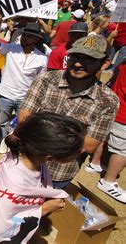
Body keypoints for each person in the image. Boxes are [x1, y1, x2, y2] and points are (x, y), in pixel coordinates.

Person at [0, 112, 85, 243]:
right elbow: (7, 220)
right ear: (49, 157)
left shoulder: (20, 150)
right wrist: (46, 208)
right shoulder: (17, 183)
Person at [19, 35, 119, 189]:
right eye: (75, 56)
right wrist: (67, 141)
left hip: (59, 174)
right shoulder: (45, 80)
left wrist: (40, 137)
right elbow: (24, 119)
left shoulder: (108, 101)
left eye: (89, 59)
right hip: (25, 163)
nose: (78, 63)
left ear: (104, 63)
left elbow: (89, 145)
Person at [0, 22, 48, 146]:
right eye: (24, 35)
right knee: (2, 122)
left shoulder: (42, 58)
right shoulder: (11, 48)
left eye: (29, 36)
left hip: (25, 98)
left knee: (23, 124)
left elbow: (40, 81)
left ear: (36, 39)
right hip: (6, 94)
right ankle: (3, 144)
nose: (25, 38)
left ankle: (18, 145)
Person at [96, 60, 126, 203]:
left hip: (114, 108)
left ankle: (95, 163)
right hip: (123, 116)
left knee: (105, 138)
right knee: (122, 151)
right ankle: (108, 181)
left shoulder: (122, 64)